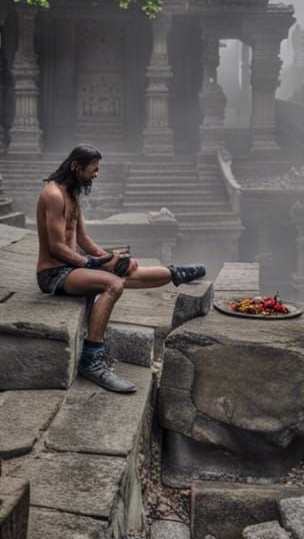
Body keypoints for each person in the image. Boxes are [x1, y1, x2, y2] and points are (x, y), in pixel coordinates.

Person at [35, 144, 206, 392]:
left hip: (73, 268)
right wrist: (93, 263)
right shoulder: (53, 194)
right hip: (54, 274)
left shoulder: (72, 194)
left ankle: (174, 273)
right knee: (113, 284)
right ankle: (91, 360)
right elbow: (57, 247)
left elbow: (83, 240)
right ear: (76, 166)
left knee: (126, 272)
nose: (97, 173)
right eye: (93, 169)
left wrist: (110, 259)